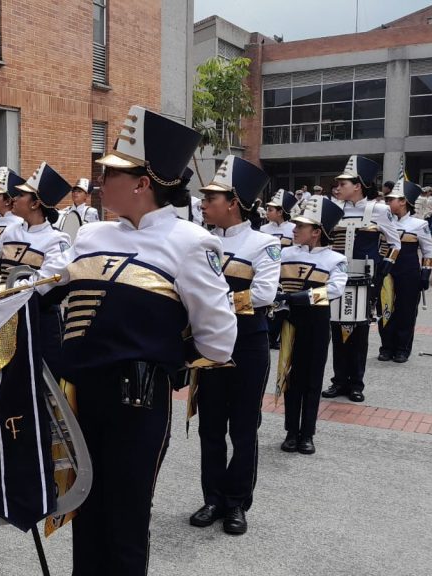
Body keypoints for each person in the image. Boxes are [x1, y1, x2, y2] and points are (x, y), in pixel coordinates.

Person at [39, 106, 236, 575]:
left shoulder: (190, 242)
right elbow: (45, 289)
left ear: (143, 183)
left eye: (110, 174)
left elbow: (220, 339)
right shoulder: (90, 236)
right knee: (82, 507)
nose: (100, 181)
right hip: (79, 399)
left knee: (125, 519)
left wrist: (163, 359)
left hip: (138, 400)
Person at [189, 156, 279, 536]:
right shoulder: (198, 240)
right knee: (210, 426)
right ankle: (212, 497)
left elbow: (263, 294)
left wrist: (210, 301)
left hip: (247, 344)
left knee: (243, 428)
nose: (203, 203)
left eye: (212, 197)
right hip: (208, 344)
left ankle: (237, 502)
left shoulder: (265, 243)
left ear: (234, 203)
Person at [0, 161, 72, 381]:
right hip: (5, 315)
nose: (14, 198)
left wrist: (7, 293)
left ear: (35, 204)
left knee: (45, 383)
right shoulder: (10, 230)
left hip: (40, 320)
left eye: (21, 195)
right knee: (8, 379)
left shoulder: (57, 240)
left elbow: (45, 283)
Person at [322, 155, 400, 403]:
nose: (338, 187)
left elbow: (395, 243)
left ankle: (356, 382)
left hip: (364, 279)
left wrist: (384, 267)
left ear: (358, 185)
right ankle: (338, 380)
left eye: (344, 183)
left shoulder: (378, 209)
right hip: (337, 276)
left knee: (359, 330)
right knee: (336, 328)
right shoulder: (335, 210)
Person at [275, 196, 347, 454]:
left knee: (313, 379)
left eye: (300, 227)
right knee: (290, 377)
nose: (294, 230)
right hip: (290, 323)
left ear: (316, 232)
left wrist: (301, 297)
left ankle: (308, 433)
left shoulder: (334, 259)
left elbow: (336, 289)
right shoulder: (284, 253)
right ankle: (291, 432)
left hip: (316, 322)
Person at [378, 179, 432, 363]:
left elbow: (428, 250)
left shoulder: (419, 224)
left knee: (406, 310)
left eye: (391, 199)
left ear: (403, 201)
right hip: (387, 270)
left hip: (409, 270)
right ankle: (386, 346)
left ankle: (402, 348)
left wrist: (425, 273)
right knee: (385, 308)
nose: (388, 203)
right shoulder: (383, 221)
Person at [260, 189, 298, 349]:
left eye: (270, 209)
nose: (267, 212)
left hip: (286, 272)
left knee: (283, 303)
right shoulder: (263, 229)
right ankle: (268, 335)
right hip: (268, 270)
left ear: (281, 212)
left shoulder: (293, 228)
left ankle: (278, 335)